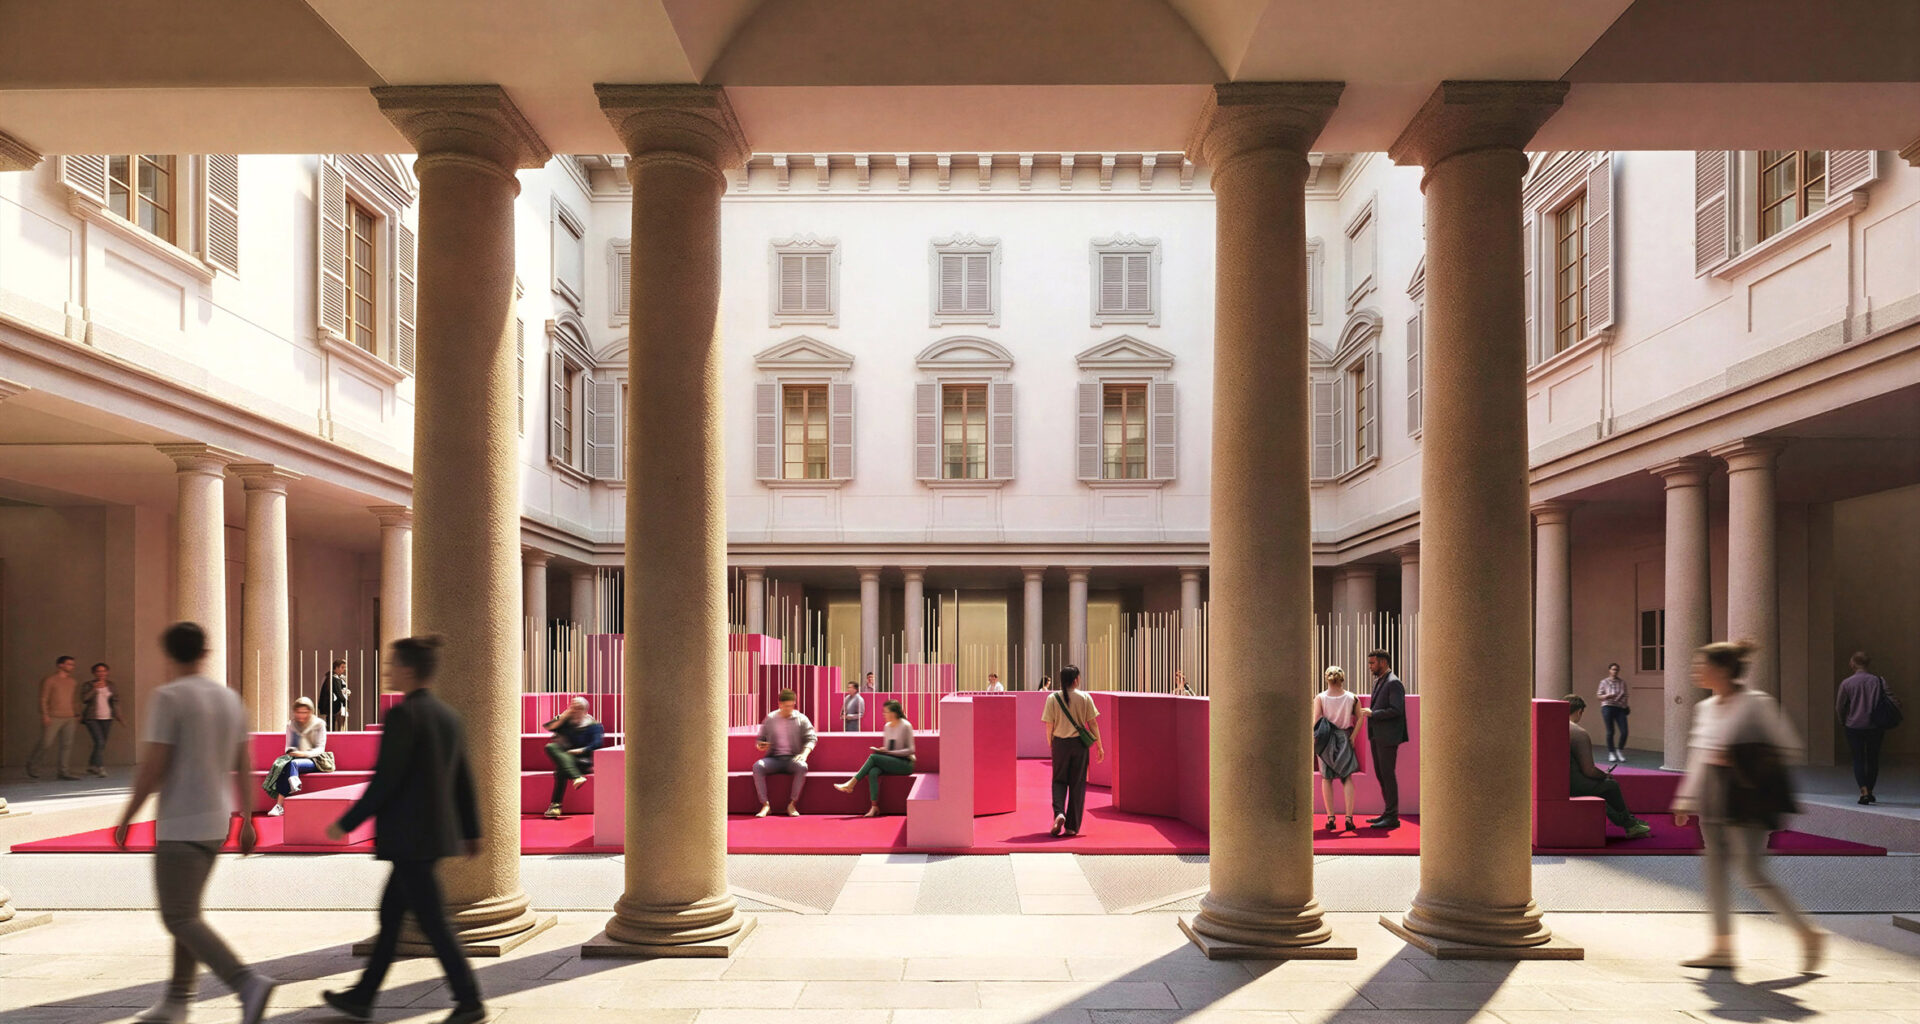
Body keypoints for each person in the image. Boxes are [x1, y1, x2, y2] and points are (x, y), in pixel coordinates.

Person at [112, 622, 277, 1024]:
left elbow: (153, 768)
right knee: (188, 912)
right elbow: (244, 763)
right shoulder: (229, 700)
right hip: (217, 820)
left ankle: (246, 982)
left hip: (181, 820)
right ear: (205, 651)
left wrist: (126, 817)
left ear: (169, 654)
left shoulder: (168, 698)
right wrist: (248, 822)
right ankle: (176, 1001)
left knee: (179, 916)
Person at [322, 635, 487, 1024]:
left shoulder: (402, 716)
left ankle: (469, 1001)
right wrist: (472, 829)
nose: (389, 670)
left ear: (410, 670)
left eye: (393, 664)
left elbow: (386, 781)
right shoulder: (449, 717)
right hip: (431, 837)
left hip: (409, 838)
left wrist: (346, 822)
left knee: (431, 922)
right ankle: (363, 997)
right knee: (392, 916)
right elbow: (463, 778)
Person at [1673, 640, 1825, 973]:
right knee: (1713, 870)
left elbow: (1789, 746)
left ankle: (1806, 933)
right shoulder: (1707, 707)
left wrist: (1740, 757)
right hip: (1713, 796)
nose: (1696, 670)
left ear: (1724, 669)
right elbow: (1698, 755)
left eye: (1703, 664)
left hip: (1747, 796)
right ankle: (1722, 947)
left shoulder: (1757, 704)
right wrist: (1685, 798)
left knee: (1751, 872)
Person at [1565, 695, 1652, 839]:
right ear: (1580, 711)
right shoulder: (1578, 733)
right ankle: (1630, 825)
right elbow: (1589, 770)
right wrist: (1605, 775)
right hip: (1574, 785)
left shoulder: (1552, 727)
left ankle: (1629, 822)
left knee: (1602, 787)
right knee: (1610, 785)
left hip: (1556, 782)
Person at [1041, 665, 1103, 837]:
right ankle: (1072, 826)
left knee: (1059, 781)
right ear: (1076, 679)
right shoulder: (1085, 697)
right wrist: (1099, 745)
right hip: (1079, 745)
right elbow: (1093, 724)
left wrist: (1051, 744)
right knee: (1077, 784)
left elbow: (1049, 725)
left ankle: (1059, 812)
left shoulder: (1052, 698)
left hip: (1060, 743)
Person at [1835, 651, 1900, 805]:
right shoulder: (1878, 680)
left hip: (1853, 726)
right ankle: (1870, 790)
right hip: (1875, 725)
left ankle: (1863, 790)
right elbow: (1891, 698)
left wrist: (1843, 720)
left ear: (1853, 663)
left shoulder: (1847, 683)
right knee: (1872, 758)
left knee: (1858, 758)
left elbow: (1839, 706)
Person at [833, 700, 916, 816]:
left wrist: (891, 752)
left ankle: (851, 783)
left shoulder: (906, 725)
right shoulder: (887, 727)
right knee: (873, 771)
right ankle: (874, 807)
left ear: (894, 713)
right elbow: (889, 748)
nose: (884, 715)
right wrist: (884, 750)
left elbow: (911, 750)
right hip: (893, 760)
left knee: (873, 757)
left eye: (886, 712)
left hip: (906, 764)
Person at [1359, 649, 1406, 829]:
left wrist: (1373, 713)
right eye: (1370, 663)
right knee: (1381, 775)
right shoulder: (1380, 681)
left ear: (1384, 662)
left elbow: (1397, 710)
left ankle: (1392, 817)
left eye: (1373, 663)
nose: (1370, 667)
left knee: (1387, 775)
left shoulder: (1394, 683)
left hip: (1387, 737)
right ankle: (1388, 813)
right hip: (1378, 736)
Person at [752, 689, 816, 817]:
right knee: (758, 766)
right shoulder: (771, 718)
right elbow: (760, 739)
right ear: (780, 704)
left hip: (792, 759)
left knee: (802, 766)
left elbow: (812, 738)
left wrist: (804, 754)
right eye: (786, 706)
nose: (789, 708)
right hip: (774, 758)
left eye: (792, 705)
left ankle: (792, 804)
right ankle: (765, 805)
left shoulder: (801, 719)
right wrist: (761, 746)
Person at [1313, 666, 1360, 833]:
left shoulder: (1320, 698)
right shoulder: (1352, 697)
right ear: (1343, 678)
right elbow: (1360, 717)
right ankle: (1348, 818)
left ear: (1327, 679)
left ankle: (1331, 818)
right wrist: (1353, 737)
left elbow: (1316, 721)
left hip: (1325, 740)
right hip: (1344, 738)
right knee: (1347, 778)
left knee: (1326, 779)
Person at [541, 696, 604, 819]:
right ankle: (576, 777)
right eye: (573, 707)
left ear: (585, 711)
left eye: (578, 708)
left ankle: (555, 806)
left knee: (560, 771)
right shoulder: (566, 722)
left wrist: (579, 750)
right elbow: (548, 726)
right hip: (567, 757)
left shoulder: (594, 725)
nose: (575, 711)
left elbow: (597, 744)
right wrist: (564, 714)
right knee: (551, 747)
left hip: (583, 761)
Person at [265, 697, 329, 817]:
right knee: (284, 766)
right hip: (295, 758)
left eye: (304, 712)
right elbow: (288, 746)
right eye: (299, 712)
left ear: (310, 711)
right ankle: (283, 800)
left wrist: (303, 754)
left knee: (292, 765)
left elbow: (321, 749)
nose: (301, 715)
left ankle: (281, 802)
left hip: (314, 759)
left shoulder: (319, 724)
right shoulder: (291, 725)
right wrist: (293, 752)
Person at [27, 655, 81, 780]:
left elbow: (74, 699)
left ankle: (64, 771)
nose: (71, 667)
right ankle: (33, 765)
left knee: (67, 745)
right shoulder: (50, 680)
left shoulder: (72, 682)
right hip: (53, 716)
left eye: (72, 664)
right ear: (60, 665)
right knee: (46, 743)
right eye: (69, 664)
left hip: (69, 717)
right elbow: (43, 698)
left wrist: (77, 713)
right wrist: (45, 714)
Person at [77, 661, 126, 777]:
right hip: (92, 717)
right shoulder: (88, 685)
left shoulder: (111, 685)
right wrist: (94, 689)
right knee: (99, 742)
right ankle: (100, 767)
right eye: (98, 671)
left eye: (103, 671)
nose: (101, 673)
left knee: (101, 743)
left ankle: (92, 765)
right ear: (94, 673)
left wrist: (119, 715)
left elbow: (116, 701)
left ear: (107, 672)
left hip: (107, 717)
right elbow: (84, 699)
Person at [1597, 662, 1630, 762]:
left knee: (1624, 731)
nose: (1615, 671)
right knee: (1610, 731)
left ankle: (1619, 750)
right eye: (1613, 669)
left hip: (1620, 708)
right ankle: (1611, 752)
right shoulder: (1604, 682)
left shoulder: (1622, 682)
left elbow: (1625, 695)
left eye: (1616, 669)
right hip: (1608, 707)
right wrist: (1606, 696)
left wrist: (1622, 702)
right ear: (1609, 670)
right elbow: (1599, 696)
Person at [321, 659, 352, 730]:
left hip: (337, 705)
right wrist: (345, 702)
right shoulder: (333, 677)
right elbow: (337, 692)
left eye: (345, 667)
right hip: (334, 705)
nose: (344, 669)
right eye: (342, 667)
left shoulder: (338, 677)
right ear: (336, 667)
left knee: (339, 726)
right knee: (333, 726)